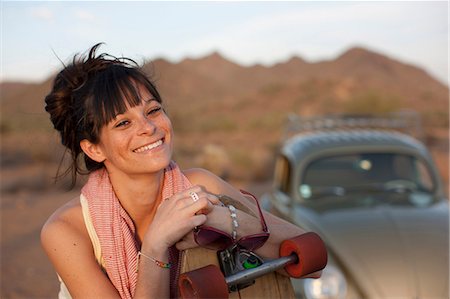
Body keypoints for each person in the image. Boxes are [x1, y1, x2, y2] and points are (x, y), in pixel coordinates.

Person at [41, 43, 313, 299]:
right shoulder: (67, 231)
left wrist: (226, 221)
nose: (148, 127)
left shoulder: (200, 185)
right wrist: (155, 246)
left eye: (153, 110)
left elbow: (313, 260)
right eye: (123, 123)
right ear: (94, 149)